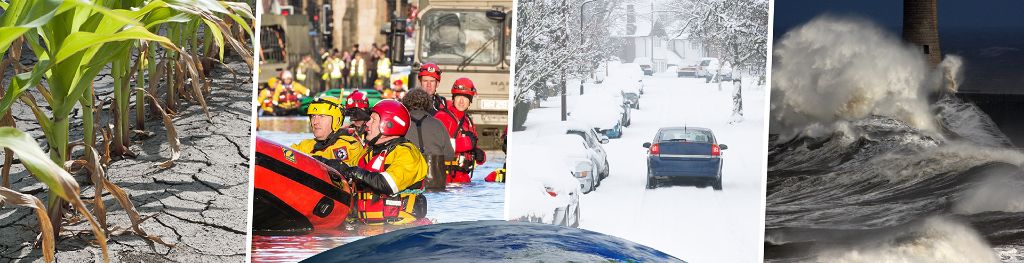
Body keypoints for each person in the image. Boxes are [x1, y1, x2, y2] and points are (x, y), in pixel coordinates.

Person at [332, 100, 429, 225]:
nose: (367, 123)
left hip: (401, 228)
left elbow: (388, 184)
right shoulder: (369, 151)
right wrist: (329, 164)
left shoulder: (407, 153)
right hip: (365, 226)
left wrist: (354, 172)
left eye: (373, 120)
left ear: (389, 124)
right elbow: (350, 169)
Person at [434, 77, 486, 184]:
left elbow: (474, 147)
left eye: (466, 97)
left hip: (464, 180)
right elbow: (438, 146)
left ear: (470, 101)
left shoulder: (468, 122)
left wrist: (480, 156)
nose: (461, 101)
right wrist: (467, 143)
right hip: (446, 179)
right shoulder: (442, 117)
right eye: (458, 97)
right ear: (453, 98)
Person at [291, 96, 365, 168]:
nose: (315, 122)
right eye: (313, 116)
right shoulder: (303, 146)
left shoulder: (351, 147)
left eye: (322, 116)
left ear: (337, 120)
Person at [400, 89, 454, 160]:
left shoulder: (401, 124)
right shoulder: (438, 124)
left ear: (406, 104)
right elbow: (449, 155)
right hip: (434, 169)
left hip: (408, 169)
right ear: (428, 104)